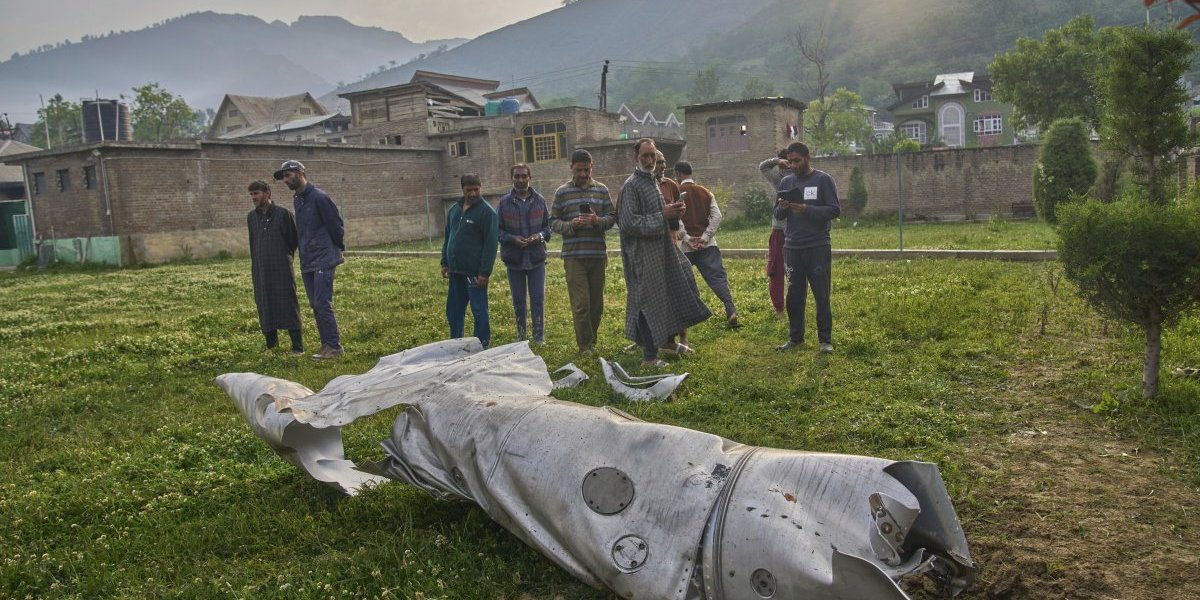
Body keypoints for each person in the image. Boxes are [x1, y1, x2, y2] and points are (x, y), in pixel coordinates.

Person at [618, 138, 711, 367]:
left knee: (672, 289)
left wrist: (675, 212)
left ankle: (668, 343)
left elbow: (662, 216)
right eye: (645, 156)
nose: (650, 160)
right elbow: (628, 223)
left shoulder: (652, 181)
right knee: (646, 302)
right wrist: (664, 215)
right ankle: (649, 357)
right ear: (636, 157)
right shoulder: (631, 185)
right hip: (642, 255)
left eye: (652, 156)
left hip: (661, 250)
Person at [274, 160, 345, 360]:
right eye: (283, 177)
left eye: (288, 175)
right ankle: (326, 345)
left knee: (322, 302)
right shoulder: (298, 200)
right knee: (315, 304)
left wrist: (336, 249)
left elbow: (336, 225)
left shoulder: (319, 197)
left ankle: (334, 346)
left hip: (324, 258)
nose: (285, 180)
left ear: (300, 173)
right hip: (308, 260)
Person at [773, 142, 840, 353]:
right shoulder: (786, 182)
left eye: (797, 161)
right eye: (790, 161)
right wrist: (783, 207)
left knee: (821, 294)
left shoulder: (823, 180)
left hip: (817, 246)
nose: (793, 165)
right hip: (792, 247)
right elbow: (777, 214)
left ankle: (825, 341)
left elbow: (834, 210)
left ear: (807, 158)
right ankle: (795, 338)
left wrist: (806, 209)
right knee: (794, 295)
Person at [551, 149, 616, 354]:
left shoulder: (602, 190)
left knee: (596, 306)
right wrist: (571, 225)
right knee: (581, 304)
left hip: (597, 255)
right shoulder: (562, 192)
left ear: (591, 167)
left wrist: (597, 221)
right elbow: (553, 222)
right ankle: (585, 347)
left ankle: (591, 341)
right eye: (579, 170)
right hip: (574, 257)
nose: (583, 174)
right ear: (571, 168)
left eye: (586, 170)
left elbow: (612, 217)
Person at [676, 160, 740, 329]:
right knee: (717, 278)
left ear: (678, 173)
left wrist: (687, 238)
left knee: (683, 281)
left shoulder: (677, 193)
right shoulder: (705, 192)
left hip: (685, 247)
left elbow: (676, 218)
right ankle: (731, 310)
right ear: (691, 172)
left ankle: (690, 316)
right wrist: (705, 237)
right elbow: (717, 216)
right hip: (707, 245)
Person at [441, 173, 499, 348]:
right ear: (462, 190)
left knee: (479, 311)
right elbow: (448, 237)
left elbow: (491, 244)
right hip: (455, 271)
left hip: (475, 274)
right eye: (469, 190)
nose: (473, 193)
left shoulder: (487, 212)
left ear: (480, 188)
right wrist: (445, 262)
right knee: (454, 310)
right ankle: (456, 343)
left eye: (476, 189)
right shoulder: (454, 210)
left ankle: (482, 345)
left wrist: (484, 272)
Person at [246, 180, 303, 355]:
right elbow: (253, 243)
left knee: (288, 303)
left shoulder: (284, 214)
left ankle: (297, 347)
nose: (254, 197)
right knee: (265, 303)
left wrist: (283, 257)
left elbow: (293, 241)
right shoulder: (251, 217)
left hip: (282, 268)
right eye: (251, 194)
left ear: (268, 193)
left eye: (256, 193)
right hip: (261, 270)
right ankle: (271, 346)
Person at [497, 164, 551, 344]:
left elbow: (548, 228)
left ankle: (538, 337)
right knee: (519, 301)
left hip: (536, 259)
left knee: (538, 299)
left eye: (524, 176)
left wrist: (539, 236)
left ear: (530, 178)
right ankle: (521, 336)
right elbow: (497, 231)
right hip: (514, 260)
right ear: (512, 178)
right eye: (517, 176)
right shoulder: (503, 203)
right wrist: (513, 239)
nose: (520, 180)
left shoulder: (540, 201)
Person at [760, 150, 791, 317]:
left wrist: (777, 161)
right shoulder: (778, 178)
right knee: (777, 269)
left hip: (796, 229)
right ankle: (779, 307)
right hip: (780, 228)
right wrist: (777, 161)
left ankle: (792, 304)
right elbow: (763, 167)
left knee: (795, 270)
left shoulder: (803, 177)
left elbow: (764, 167)